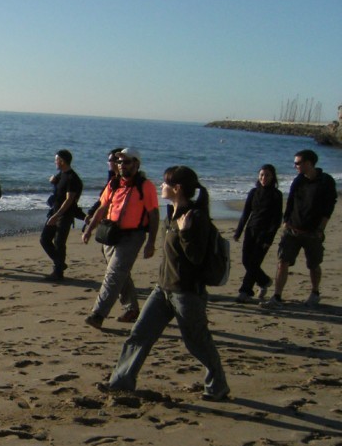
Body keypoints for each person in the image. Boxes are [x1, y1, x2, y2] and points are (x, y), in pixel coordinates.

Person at [107, 166, 229, 401]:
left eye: (165, 183)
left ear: (177, 188)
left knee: (197, 343)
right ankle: (120, 383)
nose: (161, 186)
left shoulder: (196, 217)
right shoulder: (172, 212)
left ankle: (217, 385)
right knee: (139, 334)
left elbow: (196, 257)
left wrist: (185, 233)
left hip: (187, 292)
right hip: (163, 288)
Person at [82, 147, 160, 328]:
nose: (121, 165)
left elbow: (154, 214)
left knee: (114, 274)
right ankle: (131, 308)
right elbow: (102, 208)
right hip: (110, 234)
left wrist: (151, 242)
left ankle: (98, 314)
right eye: (119, 162)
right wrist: (89, 229)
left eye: (126, 162)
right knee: (120, 274)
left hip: (133, 236)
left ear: (136, 164)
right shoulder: (114, 183)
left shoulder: (145, 186)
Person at [262, 149, 337, 309]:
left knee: (313, 264)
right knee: (282, 261)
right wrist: (286, 220)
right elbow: (290, 201)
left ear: (308, 163)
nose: (295, 166)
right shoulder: (298, 180)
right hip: (292, 229)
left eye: (298, 163)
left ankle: (315, 293)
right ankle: (277, 296)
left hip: (312, 232)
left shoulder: (326, 181)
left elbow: (329, 206)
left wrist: (321, 229)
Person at [233, 164, 282, 302]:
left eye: (267, 175)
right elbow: (246, 213)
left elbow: (276, 219)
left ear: (273, 177)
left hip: (265, 233)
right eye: (261, 175)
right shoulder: (253, 192)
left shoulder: (276, 195)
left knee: (254, 262)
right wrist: (238, 232)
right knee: (246, 261)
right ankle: (264, 281)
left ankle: (245, 292)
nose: (264, 178)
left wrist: (268, 238)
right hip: (251, 230)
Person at [40, 149, 83, 280]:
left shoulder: (72, 178)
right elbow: (58, 186)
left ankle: (58, 272)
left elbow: (69, 200)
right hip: (54, 212)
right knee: (45, 239)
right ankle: (60, 264)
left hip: (64, 215)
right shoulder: (62, 174)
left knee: (59, 242)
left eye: (56, 160)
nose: (55, 162)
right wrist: (53, 181)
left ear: (62, 161)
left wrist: (57, 215)